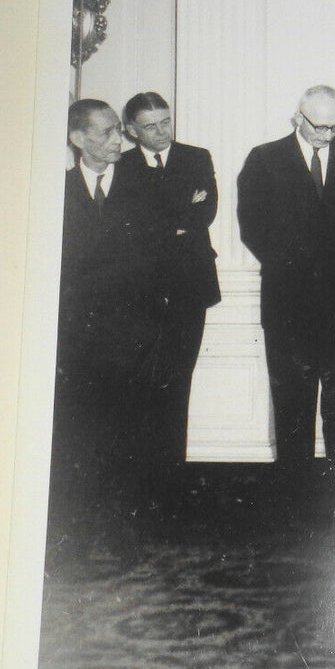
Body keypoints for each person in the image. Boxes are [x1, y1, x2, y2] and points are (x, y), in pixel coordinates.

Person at [237, 85, 335, 500]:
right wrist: (297, 266)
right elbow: (252, 228)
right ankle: (293, 495)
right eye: (321, 126)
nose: (330, 134)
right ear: (298, 117)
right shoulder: (263, 159)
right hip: (287, 300)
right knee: (292, 396)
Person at [49, 99, 164, 571]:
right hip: (73, 342)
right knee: (76, 439)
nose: (119, 141)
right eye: (108, 133)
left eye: (120, 131)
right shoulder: (54, 190)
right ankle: (72, 539)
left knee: (125, 438)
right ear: (78, 138)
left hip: (130, 339)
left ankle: (122, 535)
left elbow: (154, 263)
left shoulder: (144, 186)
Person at [115, 92, 221, 502]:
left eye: (166, 121)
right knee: (141, 385)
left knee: (178, 380)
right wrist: (175, 220)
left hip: (190, 289)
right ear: (131, 131)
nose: (162, 132)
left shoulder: (197, 156)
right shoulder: (121, 166)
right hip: (139, 293)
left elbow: (204, 212)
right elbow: (129, 225)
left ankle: (172, 481)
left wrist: (165, 221)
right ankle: (141, 484)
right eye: (151, 125)